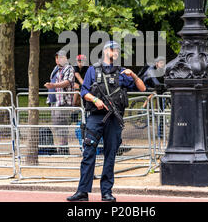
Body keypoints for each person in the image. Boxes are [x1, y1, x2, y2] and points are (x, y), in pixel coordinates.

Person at [67, 41, 146, 202]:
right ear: (105, 52)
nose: (115, 52)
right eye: (112, 50)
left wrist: (134, 75)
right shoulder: (92, 70)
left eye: (117, 50)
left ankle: (106, 192)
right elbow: (84, 91)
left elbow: (143, 88)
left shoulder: (123, 72)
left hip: (114, 119)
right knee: (88, 152)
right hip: (96, 117)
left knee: (110, 156)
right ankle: (82, 192)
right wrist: (95, 99)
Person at [44, 50, 75, 155]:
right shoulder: (56, 69)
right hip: (54, 102)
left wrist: (53, 86)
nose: (58, 59)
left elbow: (67, 82)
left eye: (61, 57)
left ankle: (63, 149)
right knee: (56, 126)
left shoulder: (69, 68)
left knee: (61, 126)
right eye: (57, 57)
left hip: (63, 102)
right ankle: (62, 149)